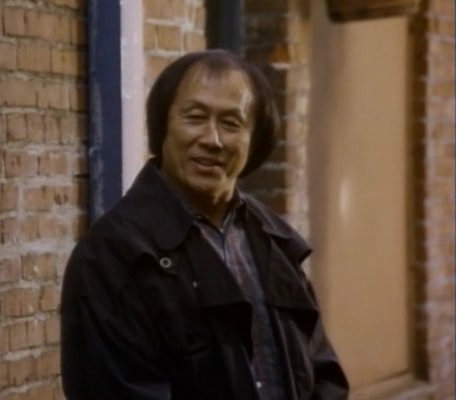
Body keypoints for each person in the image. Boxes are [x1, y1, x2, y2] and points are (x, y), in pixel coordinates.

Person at [60, 49, 349, 400]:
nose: (212, 140)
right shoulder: (112, 257)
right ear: (163, 127)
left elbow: (323, 375)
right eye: (195, 118)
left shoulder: (276, 241)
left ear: (255, 139)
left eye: (231, 123)